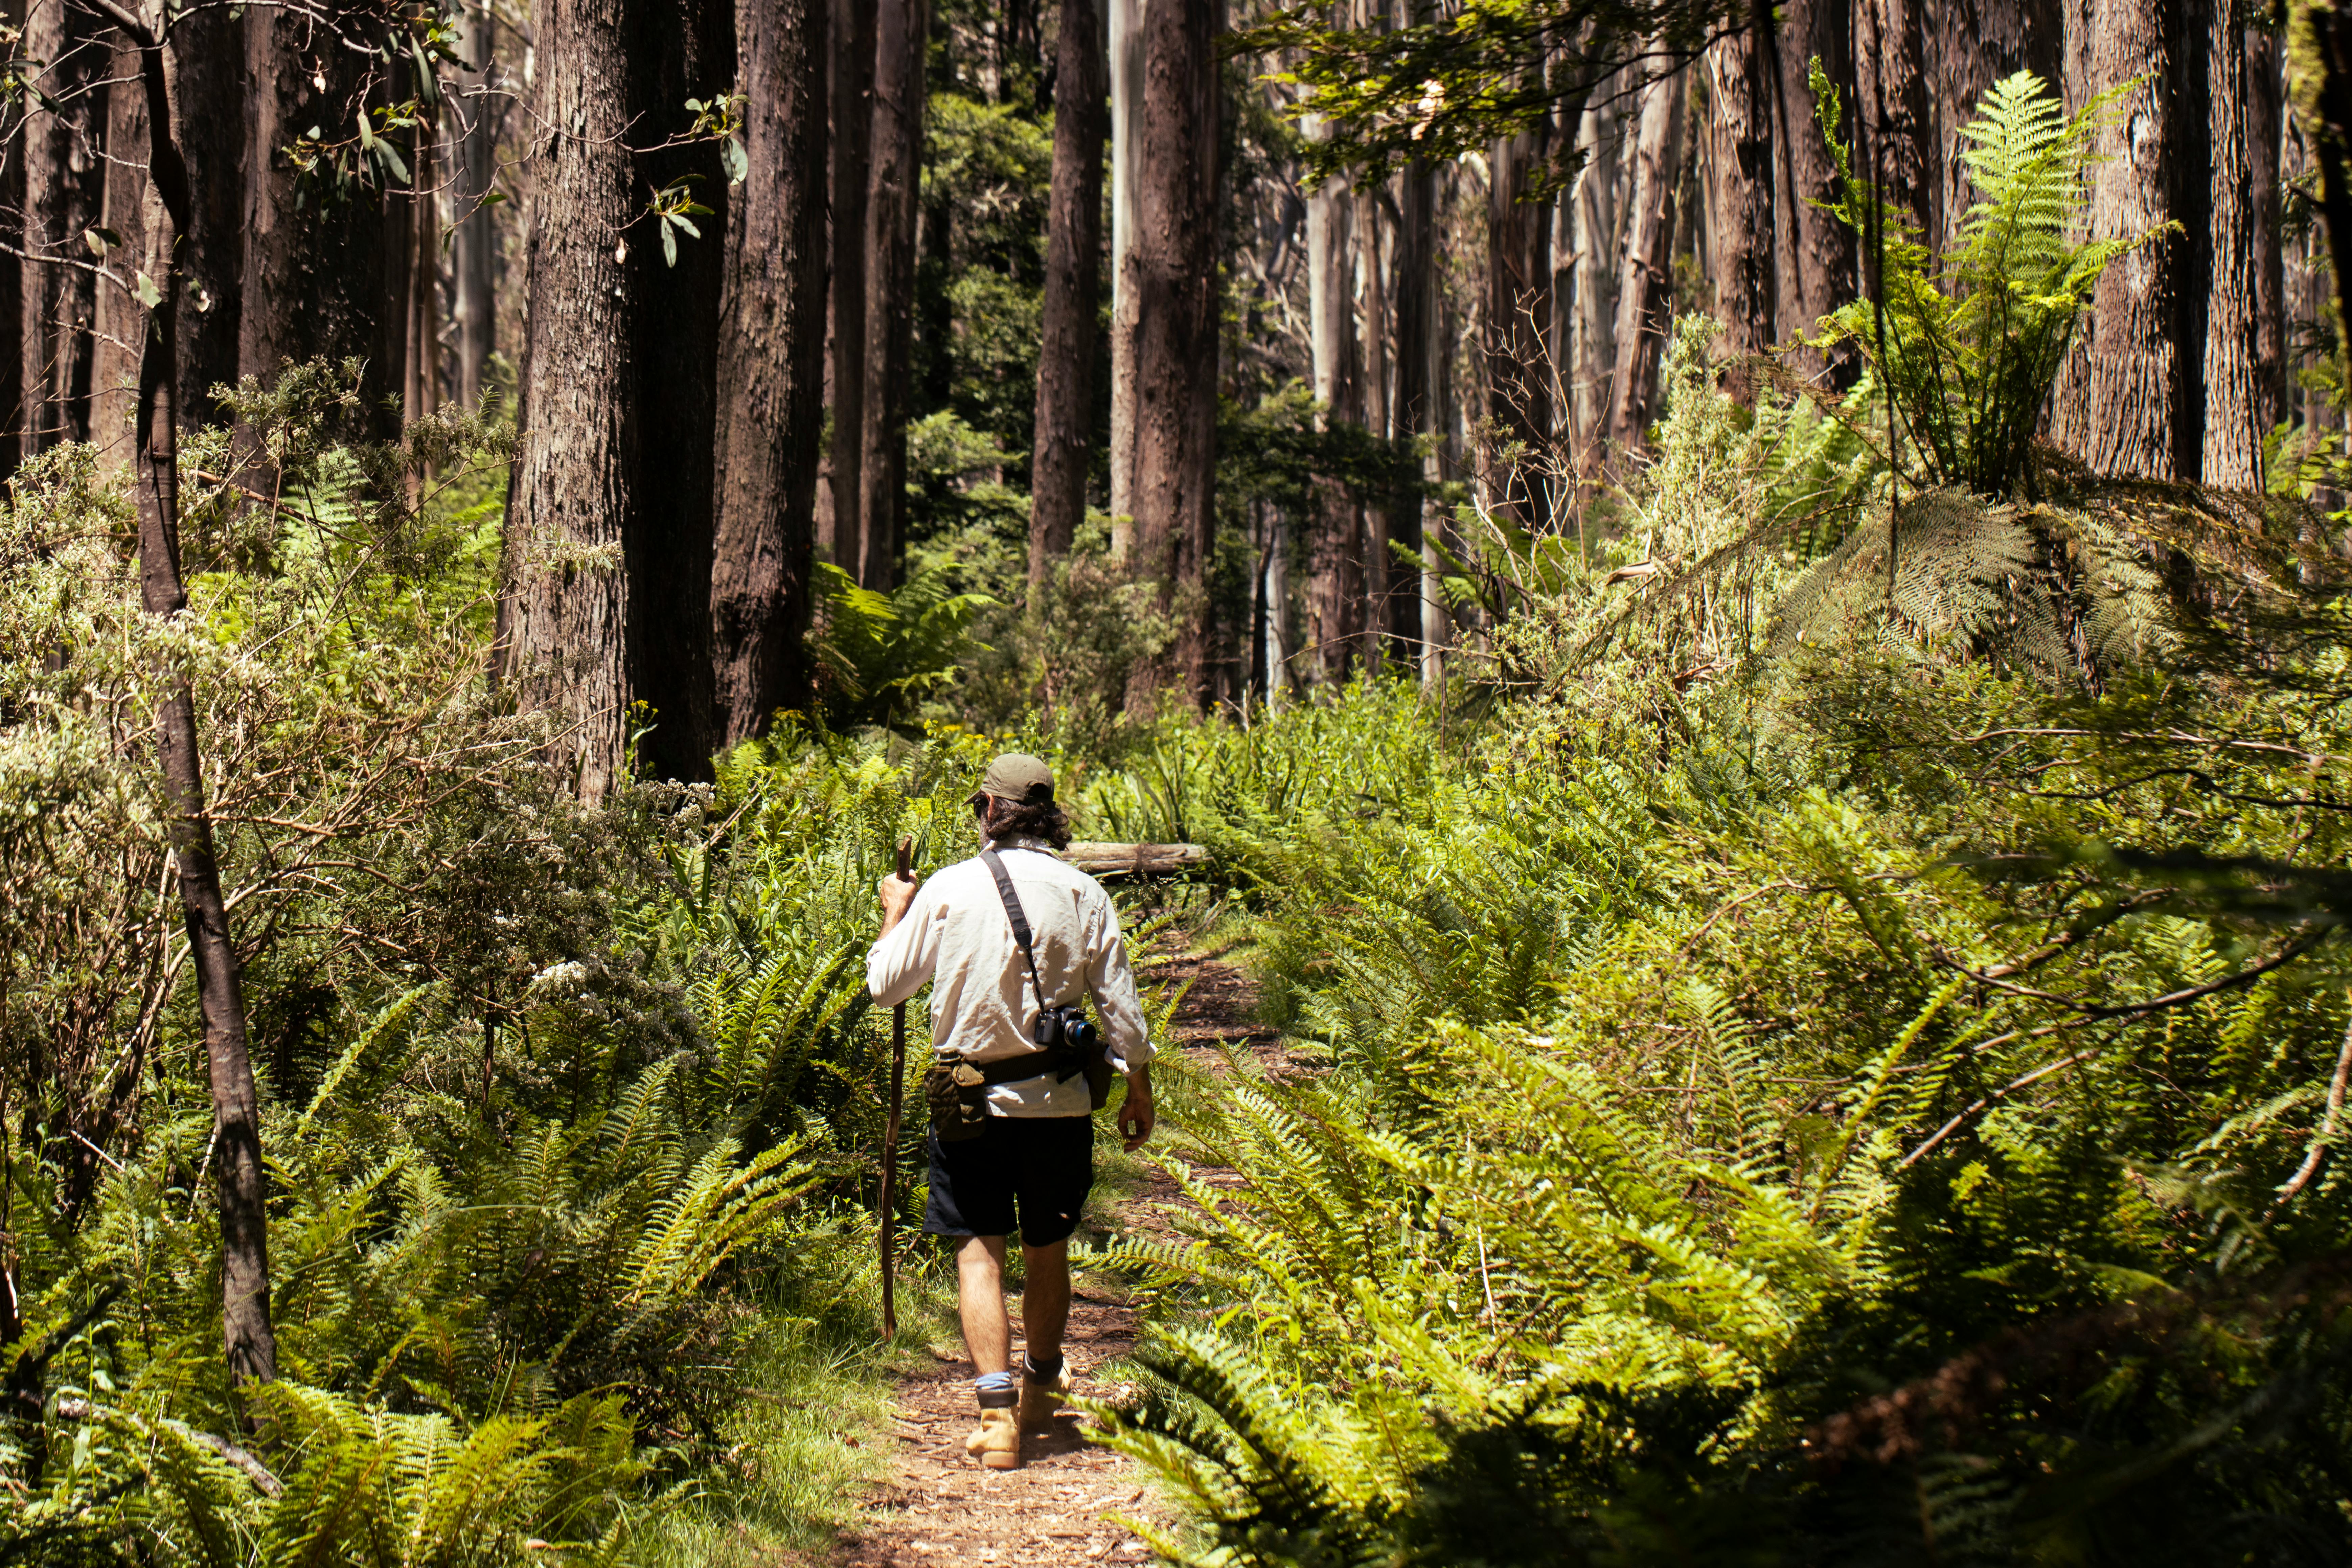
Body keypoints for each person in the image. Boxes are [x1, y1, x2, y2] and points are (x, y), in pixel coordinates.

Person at [866, 752, 1155, 1471]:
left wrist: (893, 914)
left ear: (990, 811)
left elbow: (884, 986)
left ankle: (997, 1418)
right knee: (1046, 1248)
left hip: (968, 1104)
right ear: (1046, 812)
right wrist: (1140, 1083)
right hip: (1059, 1104)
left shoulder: (950, 886)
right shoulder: (1084, 891)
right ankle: (1042, 1389)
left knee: (978, 1252)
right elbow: (1118, 1003)